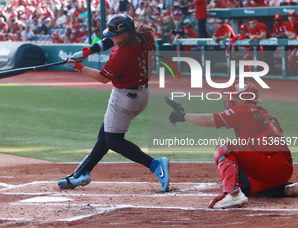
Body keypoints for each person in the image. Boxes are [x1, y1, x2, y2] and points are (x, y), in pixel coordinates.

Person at [57, 14, 170, 192]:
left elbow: (103, 78)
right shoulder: (143, 34)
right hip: (142, 95)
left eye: (114, 33)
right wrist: (88, 51)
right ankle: (82, 172)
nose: (110, 36)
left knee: (114, 141)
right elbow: (111, 40)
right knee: (105, 136)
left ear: (124, 34)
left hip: (124, 98)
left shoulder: (122, 53)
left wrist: (78, 67)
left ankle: (155, 164)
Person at [164, 82, 298, 209]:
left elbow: (208, 120)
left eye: (233, 96)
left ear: (243, 98)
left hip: (273, 166)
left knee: (225, 149)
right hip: (281, 170)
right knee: (243, 184)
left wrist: (182, 115)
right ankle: (285, 189)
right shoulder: (263, 112)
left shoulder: (245, 110)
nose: (230, 100)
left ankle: (232, 195)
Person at [285, 11, 298, 76]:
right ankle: (294, 75)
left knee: (291, 62)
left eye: (293, 16)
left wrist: (292, 35)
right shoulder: (287, 24)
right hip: (290, 47)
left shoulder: (297, 23)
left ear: (296, 17)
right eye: (290, 16)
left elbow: (295, 36)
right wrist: (292, 35)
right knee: (290, 62)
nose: (291, 18)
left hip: (296, 47)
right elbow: (286, 34)